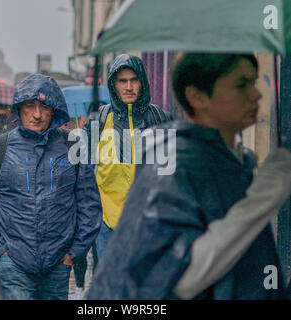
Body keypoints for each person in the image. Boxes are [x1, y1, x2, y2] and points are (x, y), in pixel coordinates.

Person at [87, 53, 291, 300]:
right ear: (197, 97)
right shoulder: (179, 158)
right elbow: (172, 275)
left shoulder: (234, 159)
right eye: (241, 85)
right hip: (109, 223)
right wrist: (264, 195)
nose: (256, 95)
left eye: (254, 82)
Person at [0, 74, 102, 300]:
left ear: (54, 110)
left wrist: (73, 253)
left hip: (58, 266)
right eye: (30, 106)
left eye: (45, 107)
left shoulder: (73, 148)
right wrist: (0, 249)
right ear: (19, 108)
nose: (37, 114)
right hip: (14, 263)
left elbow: (90, 206)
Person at [84, 53, 172, 259]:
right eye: (122, 81)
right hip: (108, 224)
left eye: (134, 80)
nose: (129, 87)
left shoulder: (161, 119)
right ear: (113, 85)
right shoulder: (99, 120)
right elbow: (84, 173)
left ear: (142, 82)